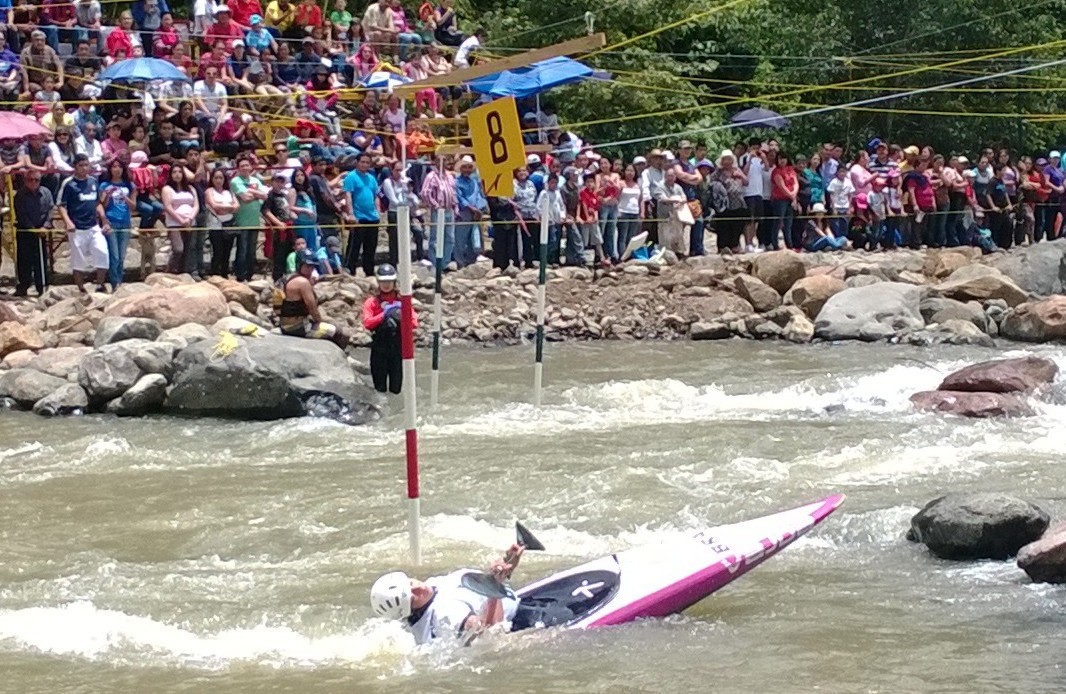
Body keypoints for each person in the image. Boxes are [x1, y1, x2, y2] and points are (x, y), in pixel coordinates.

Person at [370, 541, 526, 645]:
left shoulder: (432, 586)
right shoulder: (445, 615)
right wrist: (494, 587)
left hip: (521, 602)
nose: (418, 588)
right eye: (412, 597)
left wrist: (503, 568)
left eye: (410, 584)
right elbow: (490, 630)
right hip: (522, 621)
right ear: (410, 611)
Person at [361, 263, 416, 394]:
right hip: (379, 349)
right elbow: (368, 323)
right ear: (378, 282)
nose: (386, 285)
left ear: (394, 282)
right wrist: (384, 314)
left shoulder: (403, 300)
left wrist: (401, 316)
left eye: (389, 281)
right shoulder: (372, 302)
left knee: (396, 389)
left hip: (398, 350)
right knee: (379, 389)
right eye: (383, 282)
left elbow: (414, 323)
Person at [57, 153, 109, 292]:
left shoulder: (93, 181)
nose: (84, 168)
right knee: (78, 260)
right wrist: (68, 222)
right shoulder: (69, 184)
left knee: (102, 252)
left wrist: (103, 219)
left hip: (93, 225)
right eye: (81, 165)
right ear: (75, 167)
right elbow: (61, 205)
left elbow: (97, 202)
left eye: (86, 165)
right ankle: (81, 288)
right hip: (77, 228)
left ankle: (100, 283)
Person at [278, 249, 349, 347]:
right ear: (299, 264)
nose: (310, 269)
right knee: (340, 332)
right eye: (308, 266)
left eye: (313, 266)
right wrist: (319, 322)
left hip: (284, 324)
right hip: (297, 327)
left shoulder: (287, 278)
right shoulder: (303, 283)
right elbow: (312, 308)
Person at [13, 169, 54, 297]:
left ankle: (42, 287)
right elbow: (21, 214)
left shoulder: (46, 193)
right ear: (25, 181)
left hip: (41, 230)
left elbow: (50, 210)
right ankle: (23, 287)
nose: (33, 182)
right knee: (24, 260)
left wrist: (45, 226)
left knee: (41, 259)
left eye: (36, 180)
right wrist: (32, 229)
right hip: (26, 230)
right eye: (30, 180)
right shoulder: (20, 195)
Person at [98, 158, 135, 289]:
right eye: (114, 167)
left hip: (125, 222)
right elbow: (102, 205)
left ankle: (120, 279)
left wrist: (125, 198)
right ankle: (115, 283)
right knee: (114, 255)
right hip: (111, 221)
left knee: (122, 255)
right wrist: (107, 195)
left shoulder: (129, 185)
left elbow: (133, 206)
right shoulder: (104, 185)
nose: (117, 169)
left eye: (119, 166)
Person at [230, 154, 268, 281]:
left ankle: (249, 274)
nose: (245, 168)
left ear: (251, 166)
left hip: (254, 221)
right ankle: (240, 275)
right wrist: (257, 194)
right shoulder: (235, 181)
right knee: (242, 250)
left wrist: (251, 192)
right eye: (242, 166)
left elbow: (264, 196)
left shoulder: (256, 181)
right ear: (238, 168)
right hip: (242, 221)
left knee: (252, 250)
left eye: (247, 165)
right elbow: (245, 198)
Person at [343, 152, 380, 277]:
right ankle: (350, 269)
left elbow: (376, 196)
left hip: (372, 217)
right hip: (359, 217)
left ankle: (369, 271)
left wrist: (378, 211)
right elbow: (348, 196)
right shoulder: (351, 177)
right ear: (357, 162)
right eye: (362, 162)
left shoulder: (371, 178)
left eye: (367, 162)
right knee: (354, 245)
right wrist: (351, 214)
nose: (364, 164)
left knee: (371, 246)